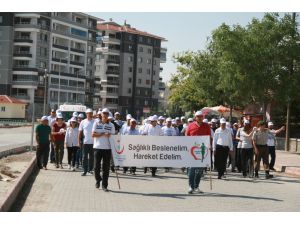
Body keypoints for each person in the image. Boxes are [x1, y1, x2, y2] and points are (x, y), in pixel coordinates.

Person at [185, 111, 211, 194]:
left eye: (201, 116)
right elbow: (187, 137)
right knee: (192, 170)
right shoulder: (190, 126)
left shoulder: (206, 126)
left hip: (202, 151)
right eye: (198, 116)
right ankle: (191, 187)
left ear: (203, 117)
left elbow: (208, 137)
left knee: (199, 171)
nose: (200, 118)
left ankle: (196, 186)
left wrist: (209, 146)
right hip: (192, 151)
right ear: (195, 117)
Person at [92, 108, 115, 192]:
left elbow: (113, 137)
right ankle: (98, 179)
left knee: (106, 168)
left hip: (107, 149)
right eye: (104, 113)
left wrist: (110, 135)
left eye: (106, 113)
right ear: (101, 115)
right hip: (97, 147)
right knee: (96, 167)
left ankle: (104, 185)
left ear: (108, 115)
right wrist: (102, 134)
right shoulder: (96, 123)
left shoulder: (111, 125)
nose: (105, 115)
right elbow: (93, 134)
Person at [78, 108, 95, 176]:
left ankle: (90, 170)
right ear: (86, 114)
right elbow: (80, 132)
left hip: (94, 143)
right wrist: (78, 142)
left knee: (92, 157)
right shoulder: (83, 122)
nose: (90, 115)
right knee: (84, 157)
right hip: (85, 142)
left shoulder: (95, 121)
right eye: (88, 113)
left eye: (91, 113)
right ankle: (84, 170)